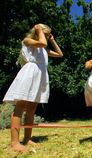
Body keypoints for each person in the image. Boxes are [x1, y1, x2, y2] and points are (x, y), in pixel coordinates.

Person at [3, 24, 63, 152]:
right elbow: (41, 42)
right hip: (30, 74)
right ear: (38, 31)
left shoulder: (43, 49)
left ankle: (27, 139)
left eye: (48, 35)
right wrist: (40, 31)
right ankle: (14, 143)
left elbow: (59, 54)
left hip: (40, 76)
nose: (47, 37)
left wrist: (52, 40)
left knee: (31, 108)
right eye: (46, 34)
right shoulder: (28, 41)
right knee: (21, 105)